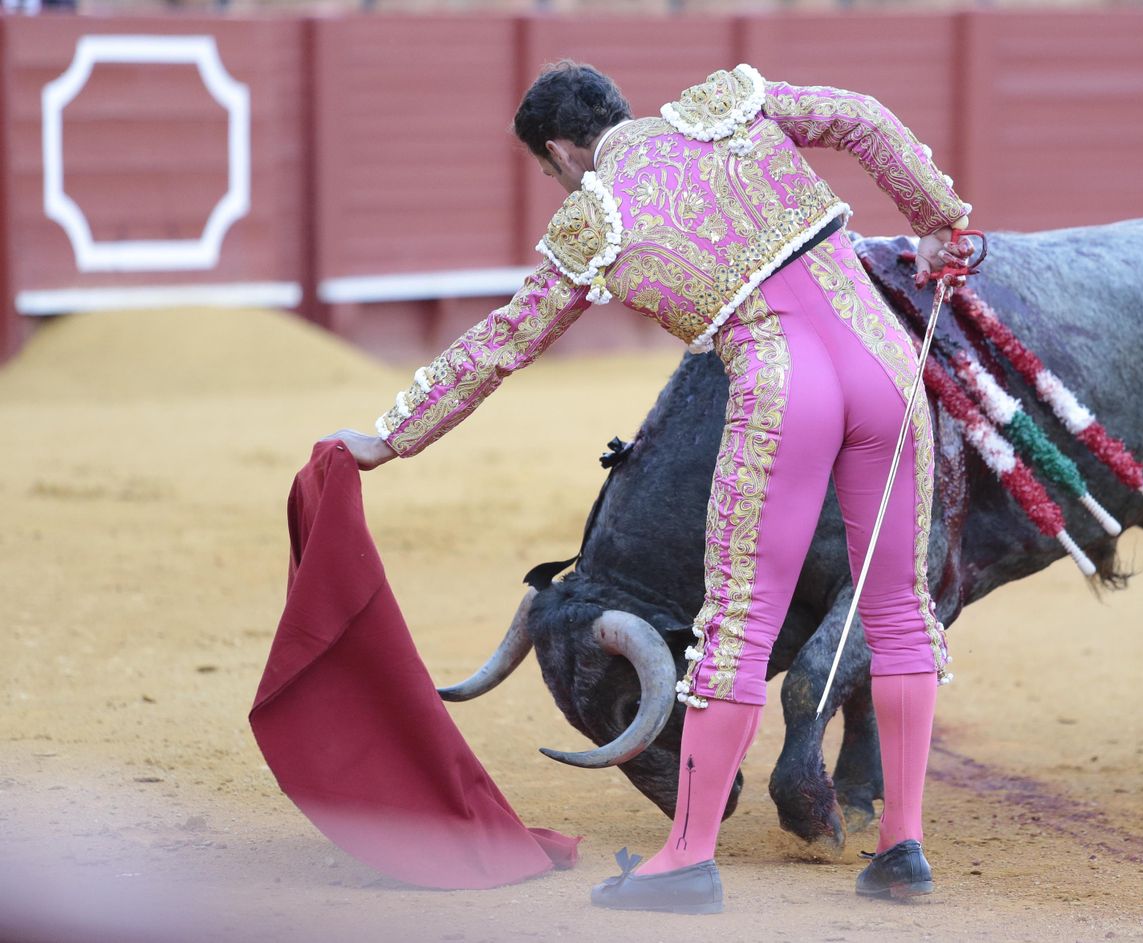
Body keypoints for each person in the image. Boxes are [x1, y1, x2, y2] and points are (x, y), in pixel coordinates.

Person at [324, 60, 971, 914]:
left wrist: (392, 436)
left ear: (560, 151)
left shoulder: (595, 221)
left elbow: (502, 342)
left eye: (549, 170)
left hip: (785, 391)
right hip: (887, 364)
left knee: (738, 622)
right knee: (897, 612)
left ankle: (688, 858)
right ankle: (903, 848)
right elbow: (861, 115)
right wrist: (939, 221)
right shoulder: (726, 109)